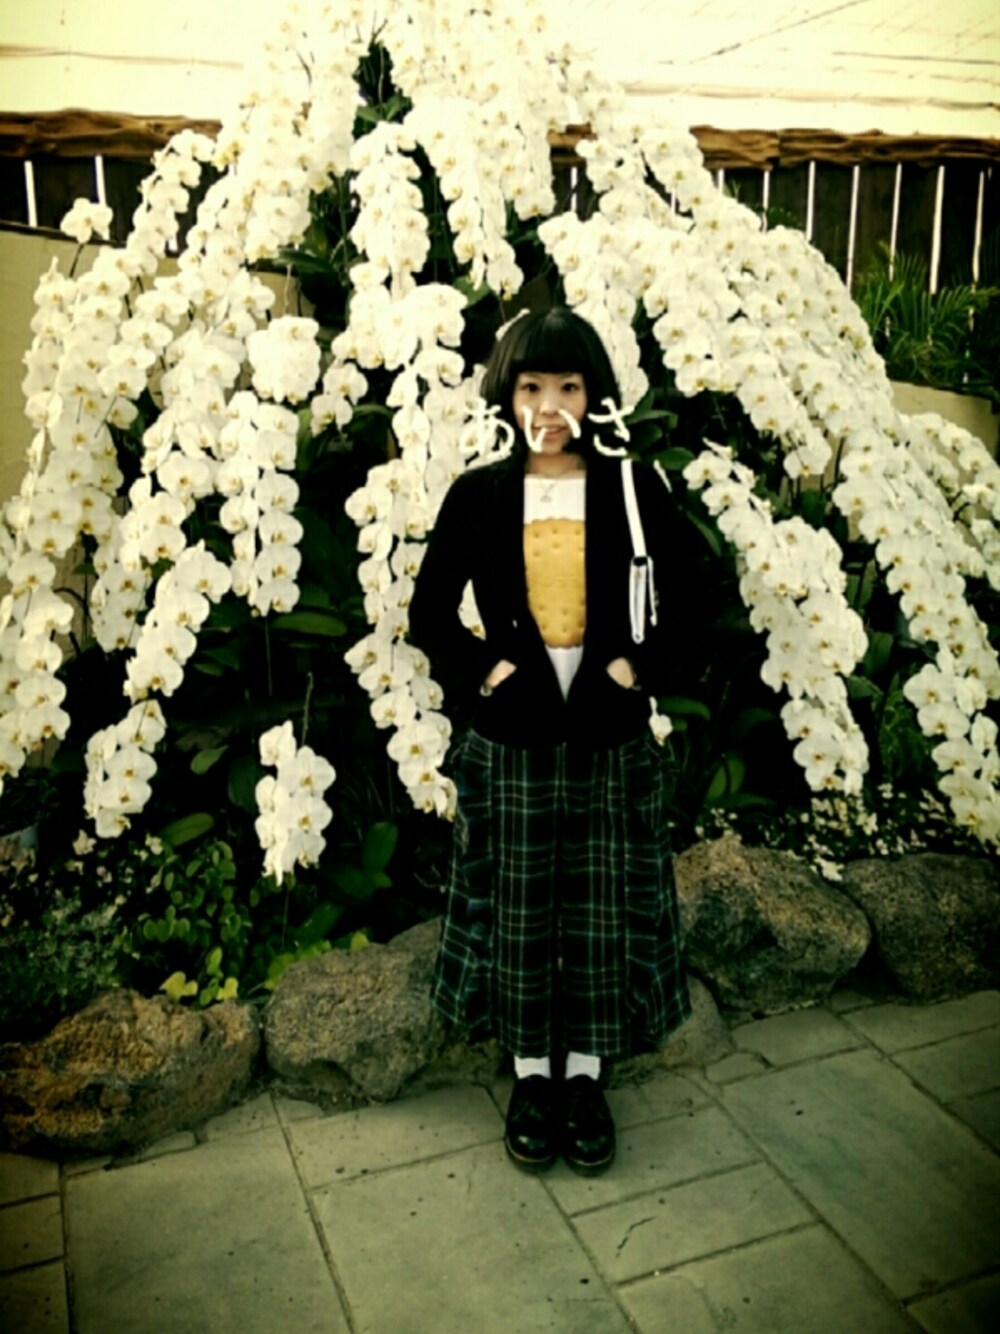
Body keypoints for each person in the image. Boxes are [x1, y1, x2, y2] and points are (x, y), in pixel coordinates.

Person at [408, 307, 695, 1175]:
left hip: (609, 739)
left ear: (593, 394)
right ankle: (532, 1075)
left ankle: (587, 1077)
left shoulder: (632, 490)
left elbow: (697, 594)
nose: (550, 405)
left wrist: (639, 669)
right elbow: (429, 611)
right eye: (531, 386)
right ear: (508, 396)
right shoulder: (480, 495)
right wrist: (485, 671)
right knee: (522, 909)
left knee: (602, 911)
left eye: (568, 386)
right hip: (514, 741)